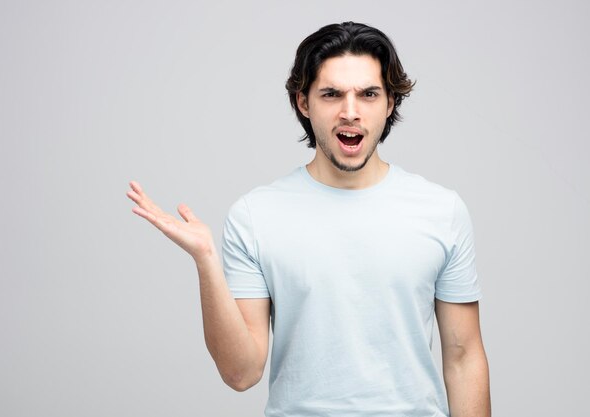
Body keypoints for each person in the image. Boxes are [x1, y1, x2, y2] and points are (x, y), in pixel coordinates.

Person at [126, 21, 491, 417]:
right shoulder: (255, 216)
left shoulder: (441, 210)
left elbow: (464, 356)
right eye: (331, 94)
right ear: (303, 103)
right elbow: (241, 373)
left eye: (368, 94)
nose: (350, 112)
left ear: (389, 104)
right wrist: (206, 260)